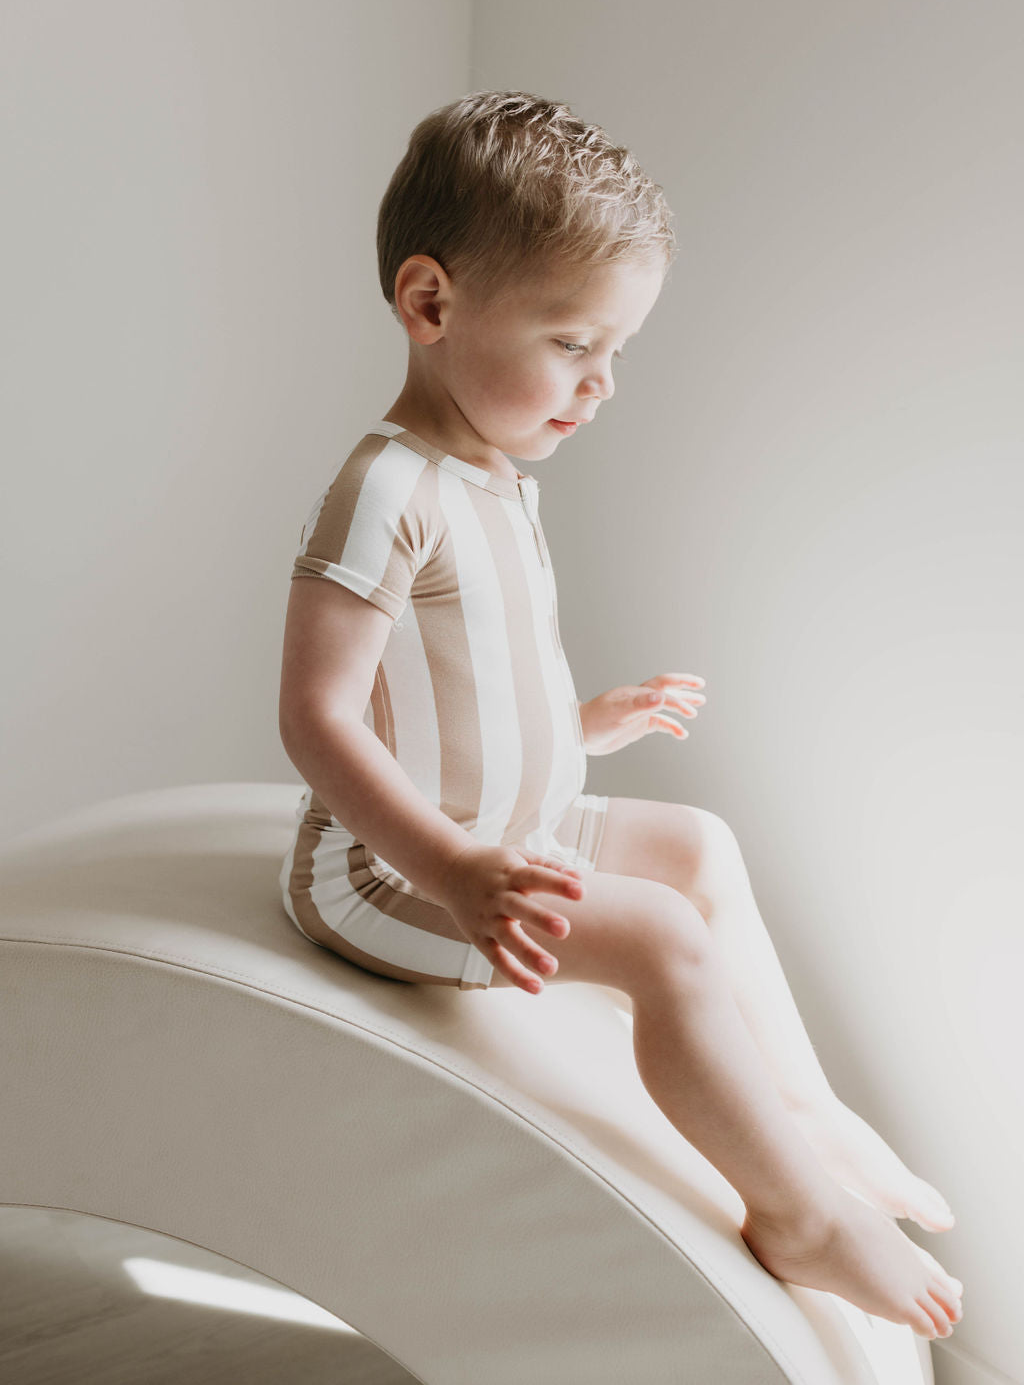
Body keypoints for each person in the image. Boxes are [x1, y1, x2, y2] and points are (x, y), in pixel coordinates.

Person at [277, 90, 963, 1339]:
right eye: (569, 343)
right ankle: (796, 1209)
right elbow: (319, 717)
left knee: (699, 845)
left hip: (497, 826)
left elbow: (463, 680)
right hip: (387, 873)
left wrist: (580, 725)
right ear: (430, 305)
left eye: (616, 354)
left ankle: (801, 1108)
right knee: (658, 937)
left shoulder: (497, 475)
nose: (598, 386)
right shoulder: (386, 487)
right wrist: (452, 864)